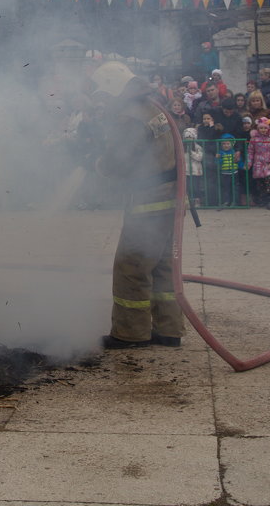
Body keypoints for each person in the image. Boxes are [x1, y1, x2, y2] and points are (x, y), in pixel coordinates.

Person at [91, 61, 185, 350]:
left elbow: (118, 162)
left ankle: (130, 333)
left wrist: (98, 166)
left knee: (131, 267)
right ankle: (169, 330)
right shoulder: (154, 108)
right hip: (170, 199)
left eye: (104, 95)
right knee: (162, 266)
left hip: (148, 203)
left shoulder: (129, 118)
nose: (103, 101)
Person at [248, 117, 270, 209]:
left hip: (269, 163)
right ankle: (263, 199)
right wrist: (249, 162)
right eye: (261, 128)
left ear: (268, 128)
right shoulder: (254, 139)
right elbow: (250, 151)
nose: (263, 130)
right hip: (257, 163)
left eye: (265, 128)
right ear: (258, 129)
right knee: (260, 183)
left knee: (269, 180)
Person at [215, 133, 240, 209]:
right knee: (226, 188)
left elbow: (239, 162)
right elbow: (217, 163)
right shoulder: (220, 153)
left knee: (234, 188)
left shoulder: (234, 152)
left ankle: (235, 202)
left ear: (232, 144)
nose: (226, 145)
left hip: (234, 173)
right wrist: (218, 158)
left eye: (228, 143)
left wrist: (237, 159)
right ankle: (227, 201)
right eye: (224, 144)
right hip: (225, 173)